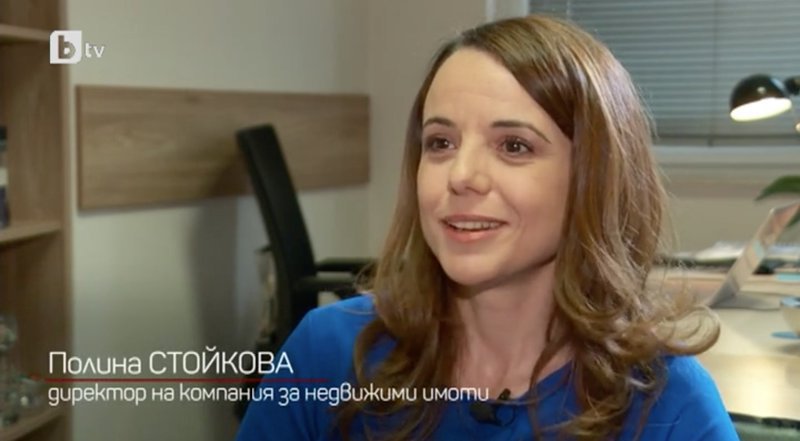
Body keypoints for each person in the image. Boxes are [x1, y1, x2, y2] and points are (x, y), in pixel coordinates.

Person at [236, 14, 739, 441]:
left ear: (595, 176)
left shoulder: (668, 405)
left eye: (514, 146)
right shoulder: (326, 353)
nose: (461, 176)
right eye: (441, 143)